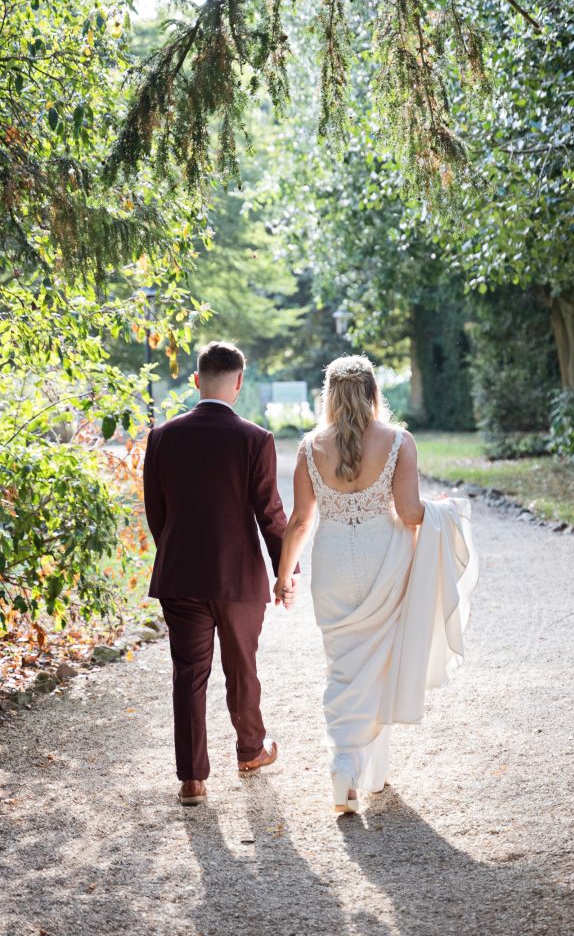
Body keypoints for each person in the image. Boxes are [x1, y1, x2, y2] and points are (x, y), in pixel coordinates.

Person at [274, 354, 477, 814]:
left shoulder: (309, 447)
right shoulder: (398, 441)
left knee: (342, 665)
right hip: (384, 557)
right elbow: (409, 514)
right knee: (380, 664)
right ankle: (360, 768)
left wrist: (283, 576)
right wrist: (443, 509)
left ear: (329, 396)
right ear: (373, 394)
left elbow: (300, 522)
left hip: (331, 565)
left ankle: (347, 767)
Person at [143, 340, 295, 805]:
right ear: (239, 382)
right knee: (241, 667)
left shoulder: (162, 437)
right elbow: (270, 513)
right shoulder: (255, 439)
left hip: (181, 575)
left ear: (195, 381)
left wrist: (176, 552)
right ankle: (250, 751)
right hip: (238, 578)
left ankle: (192, 779)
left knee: (188, 673)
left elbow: (156, 513)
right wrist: (283, 572)